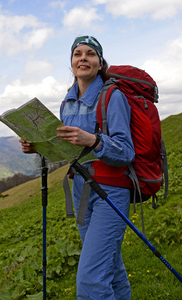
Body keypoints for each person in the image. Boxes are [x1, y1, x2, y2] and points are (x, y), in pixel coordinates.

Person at [20, 35, 135, 300]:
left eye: (90, 53)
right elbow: (68, 150)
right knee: (111, 267)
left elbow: (126, 152)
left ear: (99, 62)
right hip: (81, 190)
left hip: (111, 191)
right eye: (77, 54)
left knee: (90, 280)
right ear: (71, 62)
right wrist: (37, 146)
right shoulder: (66, 102)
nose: (83, 58)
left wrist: (94, 140)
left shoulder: (112, 97)